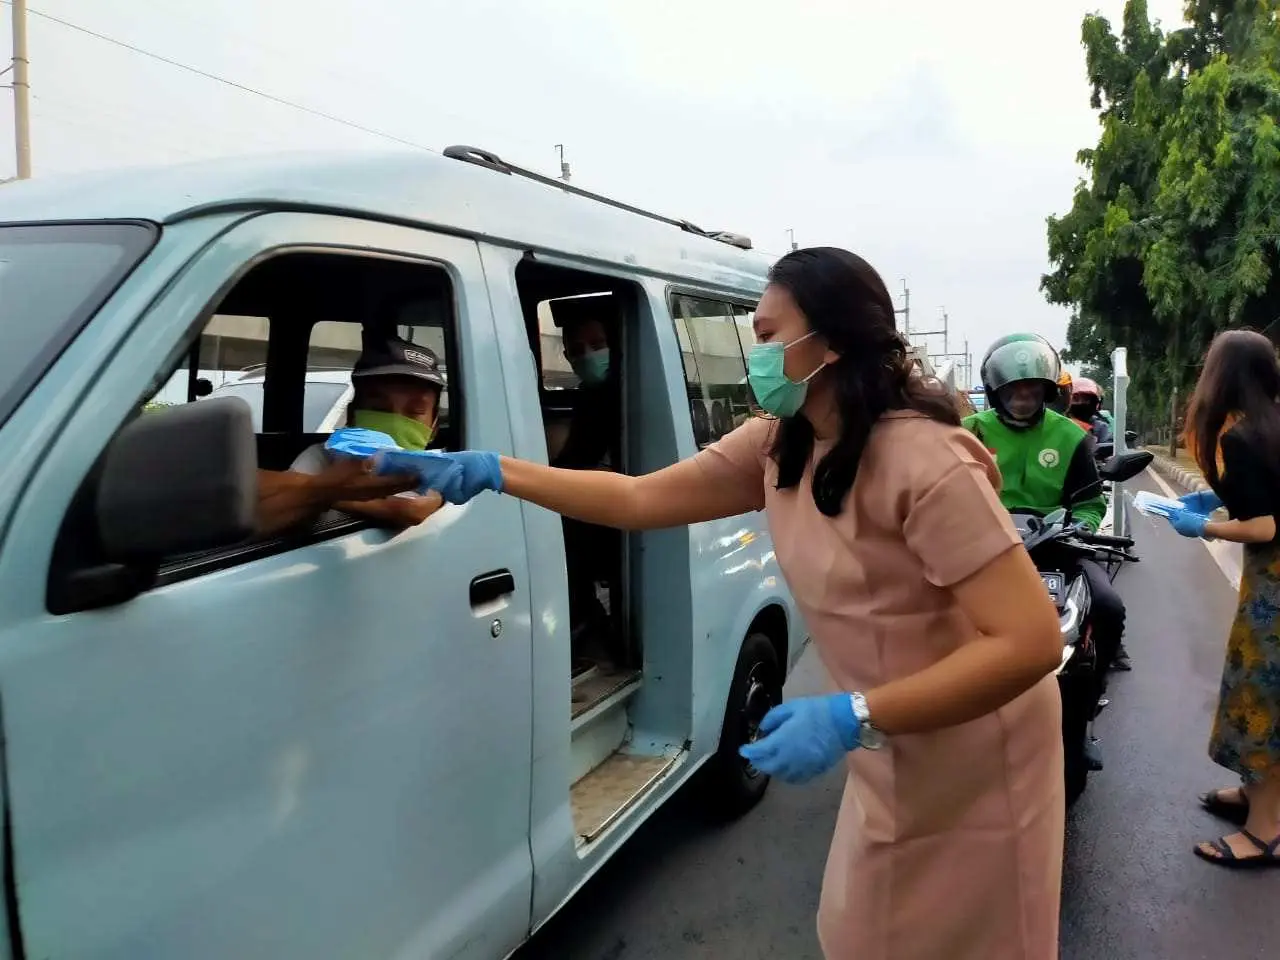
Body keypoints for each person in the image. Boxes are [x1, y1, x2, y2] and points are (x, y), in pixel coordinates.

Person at [403, 248, 1066, 959]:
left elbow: (1029, 640)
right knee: (862, 934)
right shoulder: (781, 443)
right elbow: (638, 498)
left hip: (976, 752)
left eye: (769, 336)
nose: (758, 357)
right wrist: (495, 471)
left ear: (831, 342)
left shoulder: (927, 461)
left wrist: (854, 713)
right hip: (889, 744)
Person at [1163, 329, 1280, 869]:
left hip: (1273, 591)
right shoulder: (1271, 425)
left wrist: (1203, 527)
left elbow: (1266, 525)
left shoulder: (1242, 437)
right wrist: (1217, 496)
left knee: (1262, 699)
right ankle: (1258, 798)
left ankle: (1266, 832)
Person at [290, 332, 446, 528]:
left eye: (415, 411)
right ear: (352, 416)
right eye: (379, 409)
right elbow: (286, 498)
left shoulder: (439, 470)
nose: (395, 422)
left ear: (434, 428)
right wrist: (388, 509)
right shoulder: (323, 458)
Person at [550, 307, 624, 667]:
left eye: (597, 345)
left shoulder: (626, 392)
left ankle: (596, 631)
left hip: (618, 506)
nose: (588, 356)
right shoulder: (587, 398)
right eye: (577, 350)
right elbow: (575, 458)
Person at [1071, 377, 1114, 444]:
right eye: (1075, 398)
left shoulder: (1101, 428)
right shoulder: (1057, 424)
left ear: (1098, 403)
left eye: (1087, 399)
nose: (1081, 402)